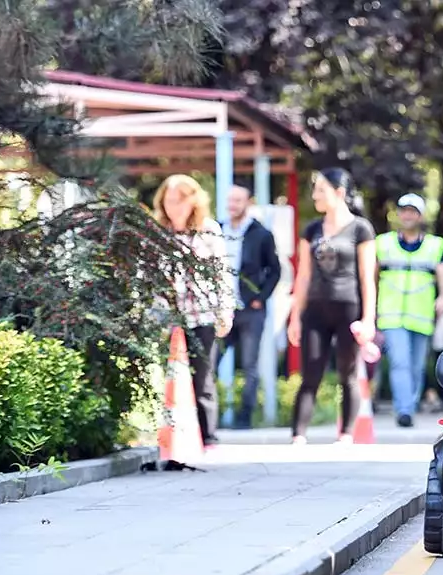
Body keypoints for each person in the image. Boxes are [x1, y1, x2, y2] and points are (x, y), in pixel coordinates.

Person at [286, 168, 378, 445]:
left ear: (339, 193)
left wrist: (368, 318)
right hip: (315, 308)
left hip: (348, 308)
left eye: (321, 190)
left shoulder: (361, 229)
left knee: (347, 371)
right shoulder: (312, 230)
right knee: (310, 371)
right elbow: (302, 274)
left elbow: (367, 277)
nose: (315, 195)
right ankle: (298, 435)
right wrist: (295, 317)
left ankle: (346, 434)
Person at [152, 174, 234, 449]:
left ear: (193, 202)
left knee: (203, 376)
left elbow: (221, 273)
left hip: (202, 315)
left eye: (180, 200)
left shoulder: (208, 230)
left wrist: (226, 311)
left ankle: (208, 436)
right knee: (169, 376)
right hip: (167, 317)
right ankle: (170, 436)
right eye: (169, 200)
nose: (174, 206)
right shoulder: (157, 233)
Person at [375, 192, 443, 428]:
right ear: (398, 214)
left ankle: (410, 402)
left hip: (421, 316)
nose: (407, 215)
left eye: (412, 211)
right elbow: (372, 274)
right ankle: (405, 409)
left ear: (420, 216)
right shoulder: (383, 243)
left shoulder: (434, 245)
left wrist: (442, 297)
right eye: (404, 210)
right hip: (391, 315)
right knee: (400, 362)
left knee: (417, 366)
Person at [217, 183, 281, 429]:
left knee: (249, 365)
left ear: (248, 203)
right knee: (211, 360)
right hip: (222, 309)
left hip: (250, 310)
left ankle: (245, 416)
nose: (232, 205)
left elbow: (275, 270)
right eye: (230, 200)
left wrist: (260, 298)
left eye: (238, 201)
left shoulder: (261, 234)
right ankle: (210, 414)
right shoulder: (217, 229)